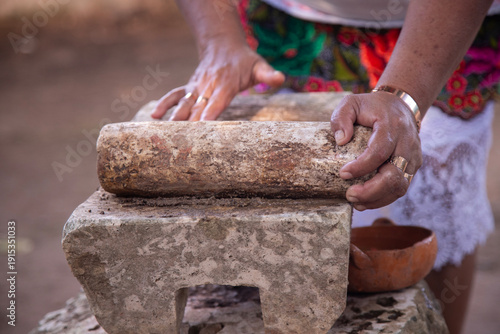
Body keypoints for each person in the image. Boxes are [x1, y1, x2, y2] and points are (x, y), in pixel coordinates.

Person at [152, 1, 500, 333]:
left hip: (436, 26)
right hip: (288, 29)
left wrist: (405, 96)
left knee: (425, 195)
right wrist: (218, 40)